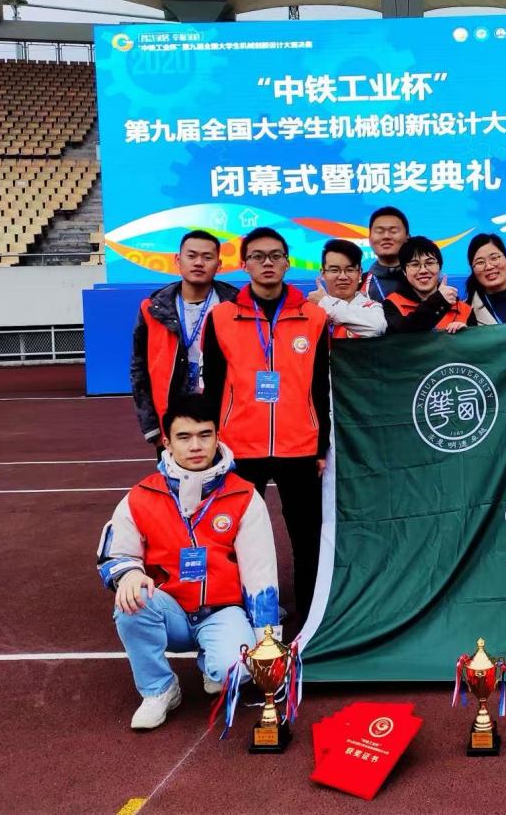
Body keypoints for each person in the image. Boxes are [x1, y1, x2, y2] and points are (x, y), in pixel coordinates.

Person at [97, 394, 280, 730]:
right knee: (131, 600)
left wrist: (268, 641)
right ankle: (159, 689)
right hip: (170, 611)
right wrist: (129, 574)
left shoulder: (244, 496)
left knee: (236, 670)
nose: (195, 446)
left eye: (204, 435)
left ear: (217, 436)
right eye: (184, 437)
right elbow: (114, 553)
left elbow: (261, 575)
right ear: (167, 442)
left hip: (223, 612)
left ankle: (213, 662)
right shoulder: (141, 496)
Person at [200, 226, 329, 630]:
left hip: (299, 446)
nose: (267, 263)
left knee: (307, 538)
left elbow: (320, 387)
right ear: (244, 264)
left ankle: (310, 622)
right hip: (239, 447)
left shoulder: (314, 317)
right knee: (234, 537)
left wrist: (321, 445)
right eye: (258, 256)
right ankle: (237, 617)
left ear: (288, 262)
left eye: (275, 255)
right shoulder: (222, 317)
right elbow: (213, 386)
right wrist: (212, 443)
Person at [130, 230, 237, 455]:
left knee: (226, 478)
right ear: (178, 260)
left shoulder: (237, 306)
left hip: (223, 416)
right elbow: (139, 369)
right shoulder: (153, 308)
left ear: (219, 265)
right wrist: (152, 428)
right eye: (192, 256)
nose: (199, 263)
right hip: (173, 420)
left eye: (207, 257)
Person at [382, 236, 472, 333]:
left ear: (439, 267)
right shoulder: (391, 304)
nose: (423, 270)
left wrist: (466, 334)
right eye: (415, 264)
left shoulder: (464, 309)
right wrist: (439, 301)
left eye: (429, 263)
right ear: (404, 271)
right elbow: (403, 333)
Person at [306, 238, 386, 339]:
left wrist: (325, 302)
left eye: (350, 270)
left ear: (360, 273)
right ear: (323, 273)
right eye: (334, 270)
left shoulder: (372, 307)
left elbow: (377, 327)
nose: (343, 277)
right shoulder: (309, 308)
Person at [465, 233, 506, 325]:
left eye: (494, 258)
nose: (489, 266)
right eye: (480, 262)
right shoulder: (463, 311)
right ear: (473, 269)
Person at [360, 206, 409, 302]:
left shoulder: (426, 279)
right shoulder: (358, 284)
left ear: (407, 237)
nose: (386, 236)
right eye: (379, 231)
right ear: (369, 238)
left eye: (393, 231)